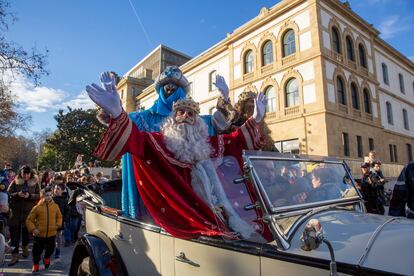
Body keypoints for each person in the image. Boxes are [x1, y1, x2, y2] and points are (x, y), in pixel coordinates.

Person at [86, 77, 267, 239]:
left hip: (212, 210)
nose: (185, 117)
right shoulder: (161, 142)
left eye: (190, 114)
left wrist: (255, 119)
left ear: (197, 121)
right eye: (180, 113)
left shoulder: (204, 143)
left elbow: (232, 140)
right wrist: (117, 112)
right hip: (181, 212)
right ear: (172, 118)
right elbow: (136, 139)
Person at [97, 69, 232, 220]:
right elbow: (124, 127)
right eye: (166, 84)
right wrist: (114, 110)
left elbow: (219, 124)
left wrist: (224, 97)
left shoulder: (194, 120)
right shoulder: (143, 119)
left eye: (175, 85)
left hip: (187, 188)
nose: (170, 87)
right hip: (154, 188)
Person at [7, 165, 40, 266]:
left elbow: (39, 195)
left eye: (27, 173)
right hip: (15, 213)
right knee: (14, 236)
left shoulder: (35, 183)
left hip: (29, 213)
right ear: (20, 173)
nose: (25, 175)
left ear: (30, 174)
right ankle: (14, 256)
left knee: (26, 234)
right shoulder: (15, 181)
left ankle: (25, 247)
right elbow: (8, 193)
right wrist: (17, 194)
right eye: (24, 173)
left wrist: (29, 196)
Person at [26, 187, 62, 273]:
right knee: (36, 252)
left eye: (50, 195)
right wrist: (33, 229)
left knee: (51, 249)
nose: (48, 197)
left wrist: (57, 225)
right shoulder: (37, 208)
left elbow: (59, 217)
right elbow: (29, 220)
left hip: (51, 233)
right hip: (39, 235)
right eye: (46, 195)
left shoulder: (55, 206)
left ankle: (47, 258)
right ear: (42, 196)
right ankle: (35, 265)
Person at [52, 183, 68, 259]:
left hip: (60, 220)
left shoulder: (64, 200)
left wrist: (64, 219)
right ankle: (51, 249)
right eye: (55, 188)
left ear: (62, 190)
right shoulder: (51, 198)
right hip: (51, 220)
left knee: (58, 236)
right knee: (51, 236)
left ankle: (58, 250)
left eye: (58, 188)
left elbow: (67, 211)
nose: (56, 190)